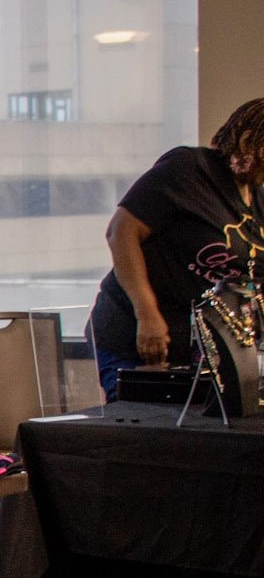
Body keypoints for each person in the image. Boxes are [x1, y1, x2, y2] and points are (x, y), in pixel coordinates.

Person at [91, 99, 264, 400]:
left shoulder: (256, 196)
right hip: (135, 334)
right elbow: (120, 232)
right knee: (142, 429)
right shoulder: (189, 169)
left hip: (196, 347)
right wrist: (147, 314)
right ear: (250, 142)